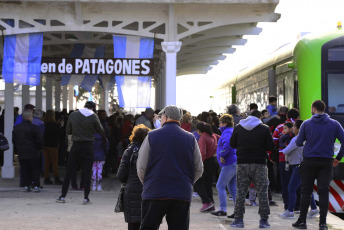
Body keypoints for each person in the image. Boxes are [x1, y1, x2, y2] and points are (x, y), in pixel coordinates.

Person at [137, 105, 203, 230]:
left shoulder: (152, 136)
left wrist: (148, 183)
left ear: (166, 117)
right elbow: (199, 168)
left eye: (161, 117)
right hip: (181, 193)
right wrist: (187, 182)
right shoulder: (190, 138)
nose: (160, 119)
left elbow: (141, 167)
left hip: (155, 191)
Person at [293, 100, 344, 230]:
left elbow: (298, 142)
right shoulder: (334, 124)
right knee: (324, 192)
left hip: (309, 161)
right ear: (323, 109)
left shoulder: (306, 124)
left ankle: (302, 222)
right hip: (326, 162)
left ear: (314, 109)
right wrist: (338, 158)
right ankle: (322, 224)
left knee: (306, 191)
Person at [229, 110, 275, 228]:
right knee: (262, 192)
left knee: (241, 192)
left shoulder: (239, 127)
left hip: (242, 163)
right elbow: (270, 146)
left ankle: (239, 220)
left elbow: (232, 144)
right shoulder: (264, 129)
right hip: (259, 163)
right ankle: (263, 221)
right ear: (259, 117)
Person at [56, 101, 105, 204]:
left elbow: (68, 131)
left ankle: (62, 196)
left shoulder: (73, 114)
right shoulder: (93, 116)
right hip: (88, 146)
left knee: (69, 171)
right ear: (93, 108)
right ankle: (86, 198)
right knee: (87, 172)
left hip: (76, 145)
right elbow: (101, 131)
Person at [279, 120, 319, 219]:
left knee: (291, 188)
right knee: (305, 188)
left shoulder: (296, 139)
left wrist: (284, 148)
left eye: (294, 127)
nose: (293, 128)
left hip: (298, 167)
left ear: (298, 128)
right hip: (308, 165)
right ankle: (314, 209)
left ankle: (290, 211)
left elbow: (285, 151)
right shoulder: (310, 139)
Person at [117, 124, 151, 230]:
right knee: (149, 222)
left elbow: (120, 175)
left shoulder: (129, 151)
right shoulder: (153, 151)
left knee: (133, 224)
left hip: (131, 190)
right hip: (149, 189)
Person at [273, 108, 300, 212]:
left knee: (285, 184)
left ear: (287, 117)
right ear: (297, 117)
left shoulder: (279, 127)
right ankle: (297, 206)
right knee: (297, 184)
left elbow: (274, 143)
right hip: (298, 160)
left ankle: (288, 207)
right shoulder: (300, 126)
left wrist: (272, 156)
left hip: (283, 159)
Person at [211, 114, 237, 217]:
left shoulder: (227, 132)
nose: (219, 125)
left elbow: (227, 144)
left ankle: (222, 209)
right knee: (233, 187)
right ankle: (238, 210)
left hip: (229, 162)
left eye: (220, 123)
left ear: (225, 123)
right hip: (233, 161)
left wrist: (221, 154)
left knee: (220, 185)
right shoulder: (231, 131)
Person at [12, 110, 44, 192]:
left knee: (24, 169)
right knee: (35, 169)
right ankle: (36, 185)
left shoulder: (16, 128)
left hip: (22, 151)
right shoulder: (34, 128)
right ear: (30, 117)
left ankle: (27, 185)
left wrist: (17, 149)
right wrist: (39, 148)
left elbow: (14, 140)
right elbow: (39, 140)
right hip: (33, 152)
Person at [194, 122, 220, 212]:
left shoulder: (203, 138)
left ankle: (207, 202)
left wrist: (198, 163)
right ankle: (211, 202)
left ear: (199, 130)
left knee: (197, 183)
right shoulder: (213, 135)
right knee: (207, 183)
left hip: (206, 162)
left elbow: (202, 153)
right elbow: (221, 139)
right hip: (214, 161)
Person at [42, 110, 64, 185]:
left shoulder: (43, 124)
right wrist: (61, 126)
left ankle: (46, 178)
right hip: (53, 145)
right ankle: (56, 178)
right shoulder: (54, 124)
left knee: (47, 162)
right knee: (54, 162)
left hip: (45, 144)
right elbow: (60, 134)